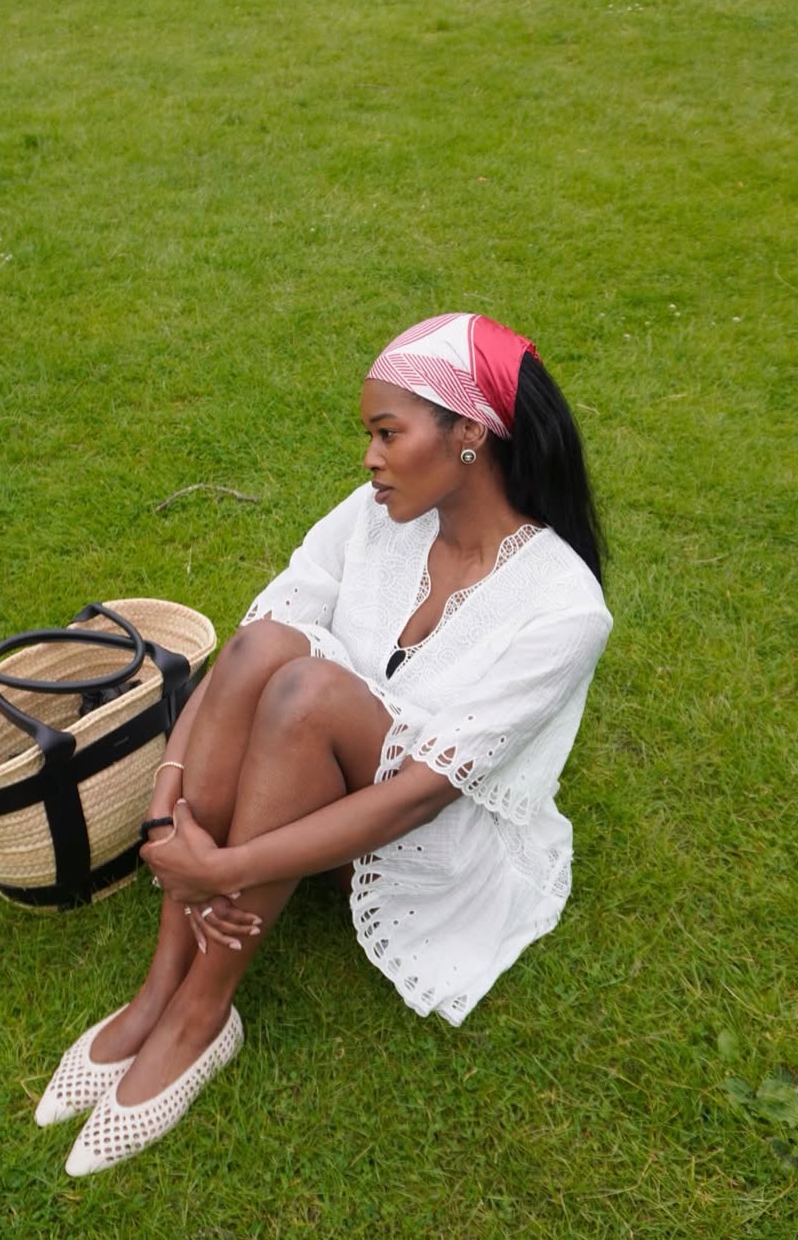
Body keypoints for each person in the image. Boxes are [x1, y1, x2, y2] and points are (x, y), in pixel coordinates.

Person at [35, 312, 612, 1176]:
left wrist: (221, 867)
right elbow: (243, 656)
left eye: (387, 433)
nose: (370, 459)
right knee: (270, 645)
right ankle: (159, 987)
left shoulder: (565, 608)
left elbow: (422, 797)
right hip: (318, 786)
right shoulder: (379, 514)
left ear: (469, 433)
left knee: (304, 690)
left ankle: (201, 1013)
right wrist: (163, 812)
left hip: (435, 845)